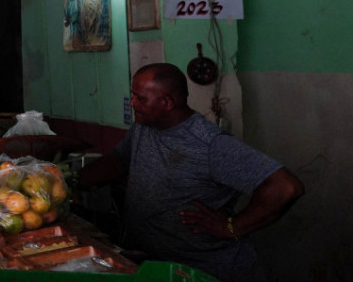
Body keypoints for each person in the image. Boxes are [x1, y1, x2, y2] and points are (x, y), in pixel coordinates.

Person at [79, 62, 304, 282]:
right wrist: (69, 180)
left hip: (207, 269)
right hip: (156, 262)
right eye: (133, 95)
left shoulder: (209, 144)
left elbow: (285, 187)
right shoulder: (144, 127)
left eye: (141, 98)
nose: (133, 103)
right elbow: (118, 161)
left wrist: (231, 227)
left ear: (167, 102)